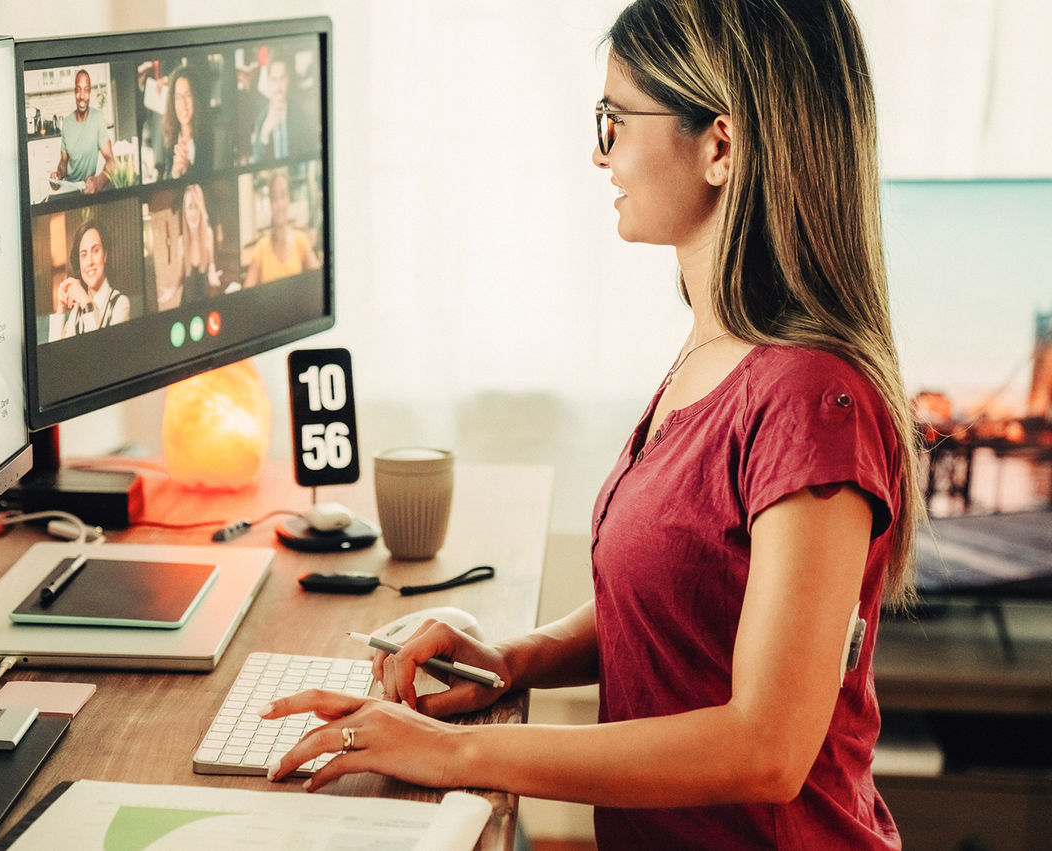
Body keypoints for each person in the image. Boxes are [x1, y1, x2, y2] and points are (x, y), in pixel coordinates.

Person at [260, 1, 924, 848]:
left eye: (614, 119)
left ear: (720, 145)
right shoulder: (717, 348)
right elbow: (682, 604)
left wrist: (456, 752)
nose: (598, 150)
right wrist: (511, 657)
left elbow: (765, 748)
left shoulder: (812, 399)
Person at [242, 172, 320, 288]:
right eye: (274, 198)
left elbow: (319, 281)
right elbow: (246, 294)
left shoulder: (301, 241)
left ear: (288, 199)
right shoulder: (261, 248)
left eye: (283, 195)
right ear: (270, 203)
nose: (279, 204)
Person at [57, 220, 130, 337]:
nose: (90, 261)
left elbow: (103, 349)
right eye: (84, 255)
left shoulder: (120, 304)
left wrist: (86, 303)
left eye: (95, 251)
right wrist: (60, 309)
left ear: (105, 255)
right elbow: (54, 352)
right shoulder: (76, 311)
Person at [50, 69, 115, 194]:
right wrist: (58, 175)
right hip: (69, 189)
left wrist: (99, 181)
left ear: (90, 92)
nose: (82, 96)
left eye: (86, 90)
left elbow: (111, 160)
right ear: (74, 92)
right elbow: (64, 160)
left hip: (88, 188)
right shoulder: (67, 123)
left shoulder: (97, 118)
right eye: (78, 89)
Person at [161, 64, 214, 182]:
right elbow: (165, 181)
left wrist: (188, 168)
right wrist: (175, 172)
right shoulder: (169, 137)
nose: (183, 104)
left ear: (196, 98)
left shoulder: (208, 136)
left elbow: (211, 181)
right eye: (178, 97)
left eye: (188, 96)